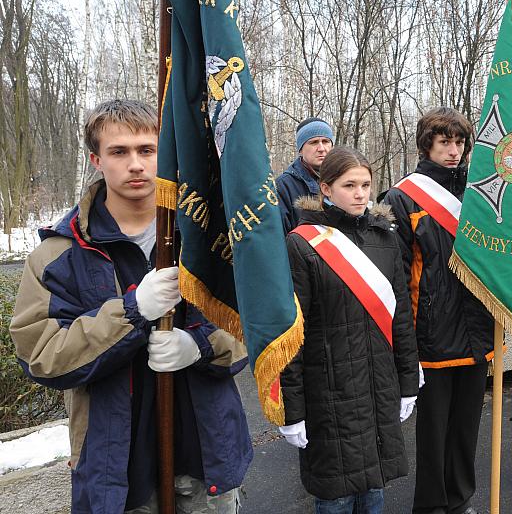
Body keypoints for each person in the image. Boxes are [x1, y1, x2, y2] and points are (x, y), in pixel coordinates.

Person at [10, 99, 252, 513]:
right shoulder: (59, 253)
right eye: (119, 152)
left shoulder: (207, 237)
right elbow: (40, 355)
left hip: (204, 453)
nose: (136, 164)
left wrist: (201, 346)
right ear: (96, 160)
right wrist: (131, 311)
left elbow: (253, 323)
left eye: (147, 150)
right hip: (115, 468)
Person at [280, 146, 420, 513]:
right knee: (337, 496)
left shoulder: (385, 239)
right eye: (349, 185)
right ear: (325, 189)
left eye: (366, 185)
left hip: (378, 386)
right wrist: (291, 408)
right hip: (328, 392)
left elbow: (400, 317)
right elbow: (291, 335)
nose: (360, 194)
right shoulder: (301, 244)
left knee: (373, 490)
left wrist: (407, 382)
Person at [382, 108, 493, 514]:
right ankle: (430, 506)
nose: (453, 150)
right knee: (434, 433)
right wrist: (405, 347)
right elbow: (396, 278)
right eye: (444, 141)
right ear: (426, 143)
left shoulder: (478, 192)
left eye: (459, 142)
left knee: (467, 429)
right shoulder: (402, 196)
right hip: (430, 332)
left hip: (478, 326)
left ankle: (460, 499)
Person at [277, 117, 335, 234]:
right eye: (313, 142)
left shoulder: (343, 180)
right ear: (301, 149)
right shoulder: (283, 187)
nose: (321, 149)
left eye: (325, 141)